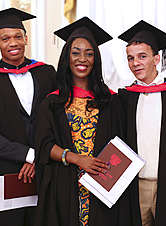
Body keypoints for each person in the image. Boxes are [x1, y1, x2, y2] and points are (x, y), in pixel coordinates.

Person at [33, 17, 142, 226]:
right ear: (67, 57)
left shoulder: (110, 101)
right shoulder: (53, 102)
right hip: (64, 186)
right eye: (76, 53)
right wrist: (78, 159)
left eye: (89, 53)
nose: (82, 59)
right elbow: (44, 145)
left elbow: (122, 146)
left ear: (96, 59)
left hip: (103, 189)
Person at [0, 8, 56, 226]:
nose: (13, 43)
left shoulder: (47, 73)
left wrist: (39, 156)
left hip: (47, 172)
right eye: (5, 38)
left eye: (18, 36)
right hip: (7, 174)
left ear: (26, 39)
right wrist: (29, 155)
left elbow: (57, 121)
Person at [117, 20, 166, 226]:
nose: (136, 63)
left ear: (157, 59)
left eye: (142, 56)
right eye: (130, 58)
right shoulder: (125, 97)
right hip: (135, 184)